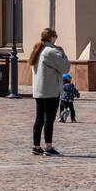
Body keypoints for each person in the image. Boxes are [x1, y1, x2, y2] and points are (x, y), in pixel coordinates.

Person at [28, 27, 71, 156]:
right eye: (55, 37)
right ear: (52, 37)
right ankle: (48, 147)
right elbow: (65, 68)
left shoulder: (38, 50)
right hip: (50, 90)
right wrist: (63, 53)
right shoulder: (51, 51)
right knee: (49, 119)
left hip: (39, 90)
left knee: (39, 118)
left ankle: (36, 146)